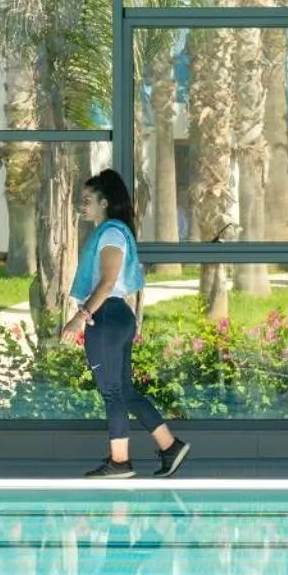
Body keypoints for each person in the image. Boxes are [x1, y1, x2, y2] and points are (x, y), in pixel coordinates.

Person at [64, 169, 190, 479]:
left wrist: (79, 319)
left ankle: (119, 462)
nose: (82, 206)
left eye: (87, 201)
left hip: (105, 316)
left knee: (112, 393)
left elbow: (107, 282)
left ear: (104, 202)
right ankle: (169, 446)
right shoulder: (114, 232)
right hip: (117, 315)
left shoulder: (110, 234)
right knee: (125, 392)